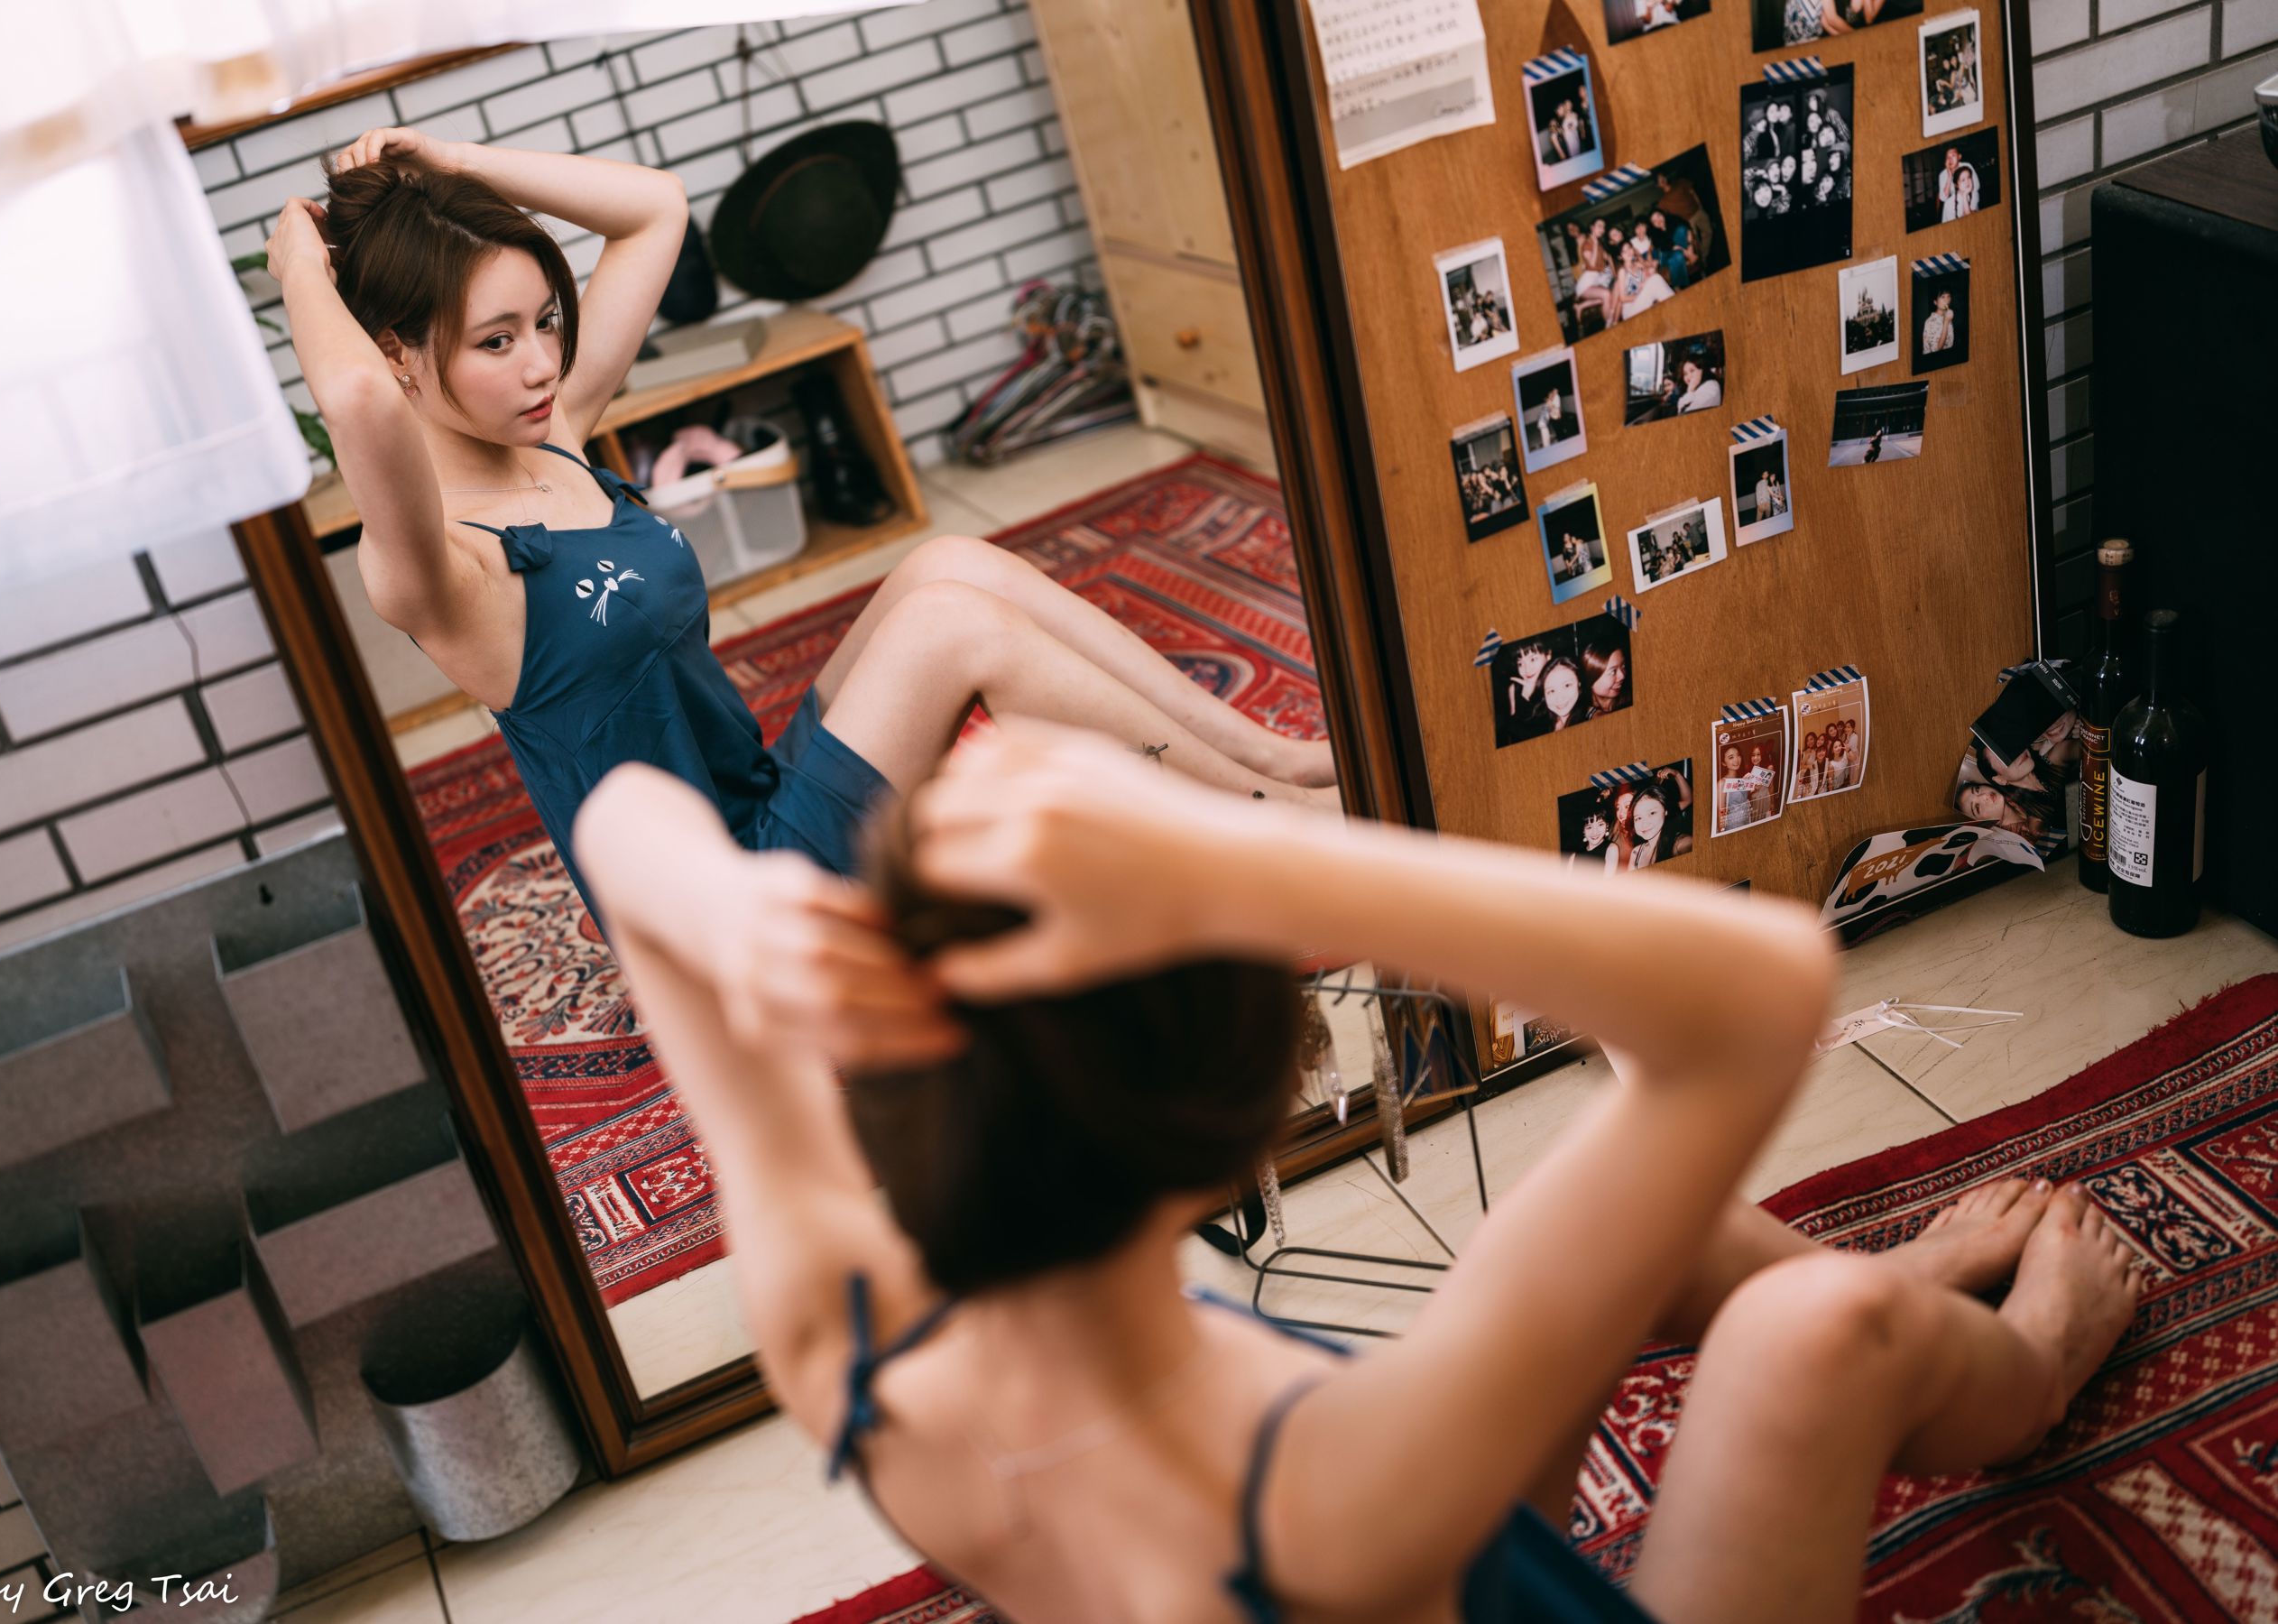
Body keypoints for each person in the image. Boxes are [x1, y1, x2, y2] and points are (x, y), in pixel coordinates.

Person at [568, 720, 2145, 1624]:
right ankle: (2034, 1358)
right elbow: (1760, 994)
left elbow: (621, 814)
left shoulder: (853, 1336)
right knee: (1816, 1335)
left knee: (1637, 1240)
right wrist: (1234, 857)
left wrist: (739, 915)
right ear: (1254, 1123)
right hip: (1369, 1574)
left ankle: (1920, 1285)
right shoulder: (1325, 1493)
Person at [267, 128, 1333, 937]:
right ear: (399, 352)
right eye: (496, 342)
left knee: (947, 564)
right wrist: (298, 268)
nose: (543, 363)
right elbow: (358, 405)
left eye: (546, 321)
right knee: (954, 629)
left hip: (764, 805)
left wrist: (448, 164)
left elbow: (655, 210)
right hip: (734, 914)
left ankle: (1265, 761)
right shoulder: (439, 569)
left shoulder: (557, 440)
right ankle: (1271, 838)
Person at [1718, 743, 1755, 833]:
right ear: (1723, 763)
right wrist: (1722, 831)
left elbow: (1744, 799)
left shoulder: (1742, 778)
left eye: (1738, 755)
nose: (1736, 760)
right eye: (1731, 757)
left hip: (1746, 821)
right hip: (1732, 826)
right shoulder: (1722, 783)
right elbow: (1721, 813)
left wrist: (1752, 787)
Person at [1922, 290, 1956, 356]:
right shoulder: (1930, 322)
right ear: (1935, 302)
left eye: (1948, 296)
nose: (1946, 300)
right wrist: (1946, 322)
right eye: (1943, 297)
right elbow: (1936, 350)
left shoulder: (1947, 315)